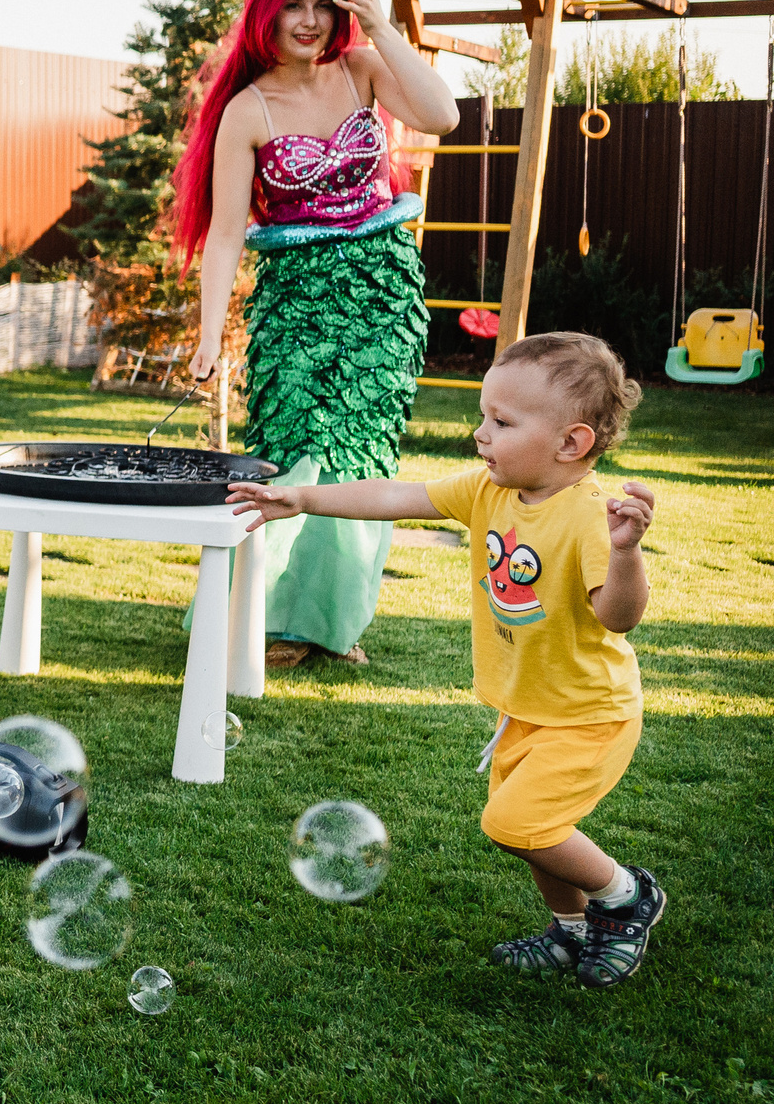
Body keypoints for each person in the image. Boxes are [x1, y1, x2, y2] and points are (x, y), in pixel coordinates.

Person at [228, 332, 660, 988]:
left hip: (588, 715)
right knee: (532, 830)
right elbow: (394, 496)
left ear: (570, 443)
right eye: (484, 415)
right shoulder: (489, 491)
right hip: (526, 709)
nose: (480, 433)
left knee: (518, 822)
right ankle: (571, 933)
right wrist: (303, 498)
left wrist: (626, 552)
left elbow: (618, 616)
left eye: (502, 421)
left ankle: (627, 897)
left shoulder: (588, 517)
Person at [175, 0, 460, 667]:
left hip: (382, 294)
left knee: (360, 455)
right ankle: (260, 618)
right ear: (266, 15)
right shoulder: (248, 108)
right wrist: (210, 334)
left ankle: (331, 624)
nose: (309, 21)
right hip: (298, 299)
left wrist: (385, 29)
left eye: (322, 5)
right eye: (293, 6)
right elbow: (228, 234)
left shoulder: (361, 71)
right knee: (291, 450)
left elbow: (442, 114)